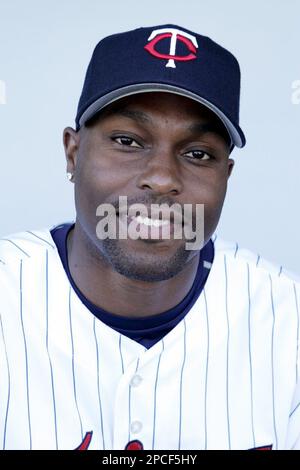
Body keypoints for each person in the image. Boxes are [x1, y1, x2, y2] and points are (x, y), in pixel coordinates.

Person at [0, 23, 299, 451]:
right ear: (73, 152)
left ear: (225, 176)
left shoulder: (289, 329)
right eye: (128, 141)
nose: (161, 179)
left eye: (198, 154)